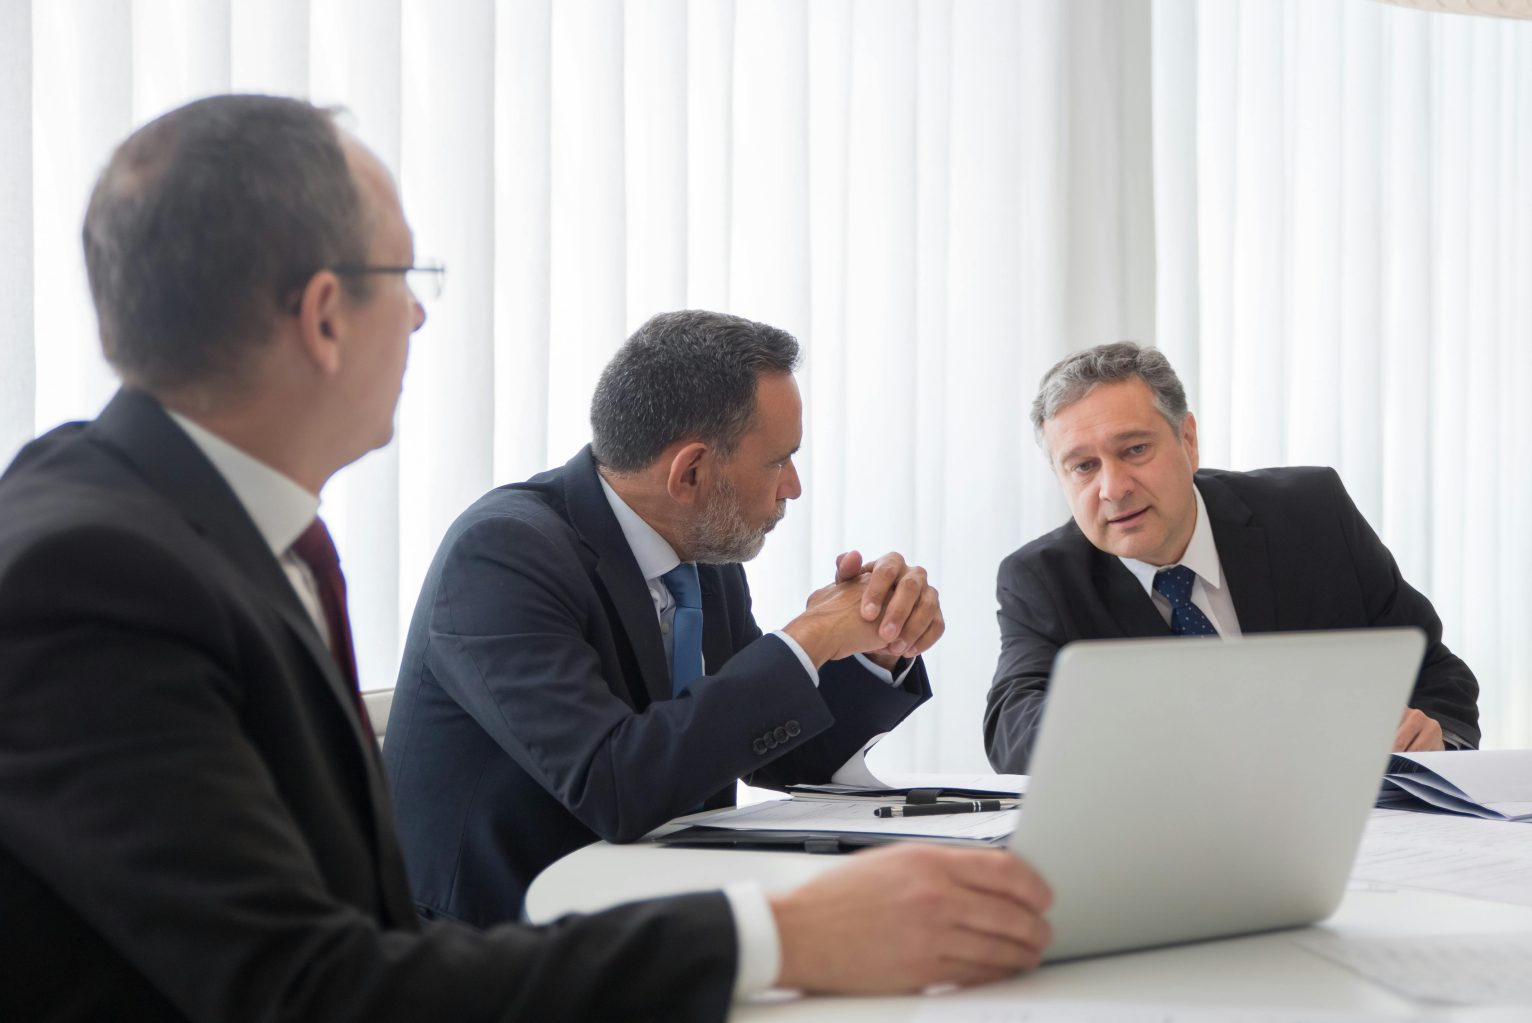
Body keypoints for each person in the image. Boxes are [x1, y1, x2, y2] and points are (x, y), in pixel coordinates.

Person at [0, 94, 1052, 1021]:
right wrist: (784, 938)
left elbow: (750, 735)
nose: (419, 314)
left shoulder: (197, 534)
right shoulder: (92, 580)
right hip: (494, 952)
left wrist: (849, 651)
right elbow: (303, 988)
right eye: (404, 277)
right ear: (323, 317)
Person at [385, 309, 943, 922]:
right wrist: (806, 640)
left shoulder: (701, 547)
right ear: (691, 472)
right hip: (501, 942)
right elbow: (614, 785)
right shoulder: (501, 555)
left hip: (662, 917)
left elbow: (774, 750)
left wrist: (872, 646)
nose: (793, 487)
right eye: (778, 461)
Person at [985, 341, 1480, 774]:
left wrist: (1432, 735)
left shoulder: (1311, 514)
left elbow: (1433, 670)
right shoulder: (1042, 577)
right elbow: (1013, 730)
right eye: (1083, 467)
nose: (1113, 488)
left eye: (1134, 450)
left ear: (1188, 440)